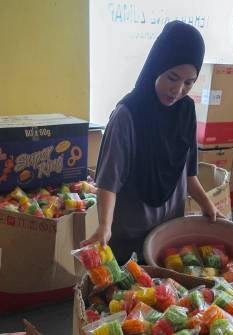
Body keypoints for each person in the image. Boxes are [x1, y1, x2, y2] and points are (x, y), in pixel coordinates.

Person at [84, 21, 223, 260]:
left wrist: (207, 204)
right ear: (156, 67)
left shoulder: (186, 111)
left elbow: (189, 174)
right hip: (129, 236)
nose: (177, 90)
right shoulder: (128, 114)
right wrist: (104, 226)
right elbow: (109, 182)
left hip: (169, 233)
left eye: (188, 82)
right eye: (172, 77)